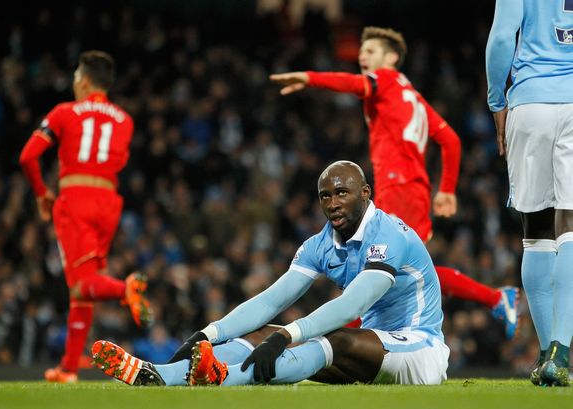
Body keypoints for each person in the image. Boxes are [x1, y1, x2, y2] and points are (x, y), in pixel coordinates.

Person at [92, 160, 449, 386]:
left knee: (332, 338)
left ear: (365, 194)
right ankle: (157, 375)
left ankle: (224, 379)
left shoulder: (389, 234)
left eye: (342, 193)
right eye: (325, 196)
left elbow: (354, 304)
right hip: (371, 348)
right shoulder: (318, 245)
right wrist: (208, 333)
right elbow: (270, 301)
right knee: (261, 333)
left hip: (420, 349)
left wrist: (288, 336)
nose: (333, 203)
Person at [268, 26, 519, 339]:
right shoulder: (411, 94)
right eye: (362, 51)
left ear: (391, 58)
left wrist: (310, 78)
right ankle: (494, 298)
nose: (362, 56)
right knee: (405, 270)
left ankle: (328, 340)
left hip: (399, 189)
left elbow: (356, 84)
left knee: (381, 269)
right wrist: (447, 190)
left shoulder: (384, 79)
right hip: (411, 188)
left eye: (370, 51)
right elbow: (451, 141)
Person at [19, 50, 153, 383]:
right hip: (108, 202)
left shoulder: (65, 112)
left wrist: (41, 193)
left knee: (81, 282)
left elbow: (28, 156)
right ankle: (68, 368)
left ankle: (126, 289)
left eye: (77, 76)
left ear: (84, 80)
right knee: (84, 288)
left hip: (75, 199)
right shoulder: (124, 119)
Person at [486, 0, 573, 387]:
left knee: (536, 231)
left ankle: (545, 354)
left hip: (531, 101)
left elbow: (503, 36)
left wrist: (496, 100)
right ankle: (561, 351)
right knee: (571, 224)